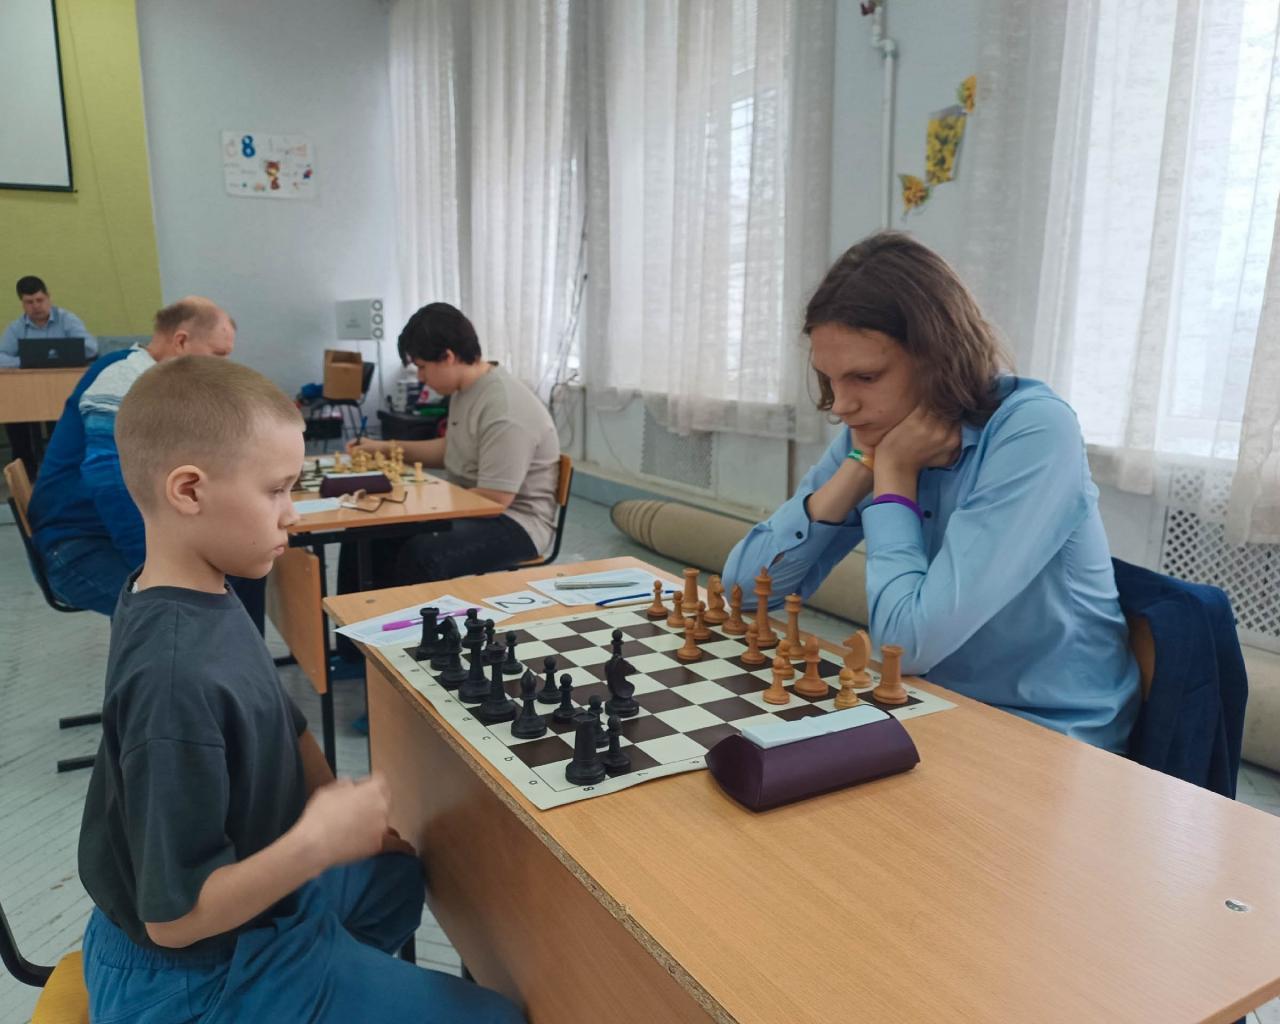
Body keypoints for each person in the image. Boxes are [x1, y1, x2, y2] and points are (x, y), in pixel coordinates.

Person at [77, 356, 525, 1023]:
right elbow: (174, 919)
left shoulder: (201, 585)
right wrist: (317, 840)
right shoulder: (172, 680)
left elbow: (278, 718)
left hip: (250, 922)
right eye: (277, 491)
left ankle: (325, 979)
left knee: (394, 875)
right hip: (192, 979)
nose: (293, 514)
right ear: (189, 491)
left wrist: (333, 801)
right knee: (498, 1019)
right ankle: (308, 988)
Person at [723, 232, 1141, 753]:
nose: (842, 406)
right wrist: (859, 469)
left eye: (865, 377)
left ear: (937, 357)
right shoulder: (876, 430)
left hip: (1051, 734)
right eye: (830, 379)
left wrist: (894, 475)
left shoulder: (1034, 431)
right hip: (929, 706)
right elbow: (741, 593)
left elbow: (905, 645)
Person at [26, 297, 265, 627]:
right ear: (181, 341)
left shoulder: (161, 384)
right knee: (187, 610)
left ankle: (243, 658)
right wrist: (161, 572)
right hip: (76, 546)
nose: (222, 367)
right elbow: (111, 487)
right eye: (218, 355)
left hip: (114, 533)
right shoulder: (122, 381)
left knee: (243, 565)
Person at [340, 302, 560, 592]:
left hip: (517, 523)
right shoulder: (465, 390)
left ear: (448, 357)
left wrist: (417, 503)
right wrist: (382, 448)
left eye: (422, 367)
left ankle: (407, 622)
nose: (420, 378)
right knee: (364, 534)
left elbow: (494, 499)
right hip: (475, 508)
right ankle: (352, 621)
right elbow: (452, 450)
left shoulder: (504, 408)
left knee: (422, 555)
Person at [1, 275, 98, 477]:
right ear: (22, 303)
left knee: (62, 423)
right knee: (14, 416)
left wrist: (66, 353)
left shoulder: (66, 320)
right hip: (26, 394)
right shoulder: (16, 327)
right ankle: (26, 475)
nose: (36, 306)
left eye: (40, 300)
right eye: (29, 302)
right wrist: (25, 360)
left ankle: (61, 472)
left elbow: (91, 348)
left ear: (48, 297)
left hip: (62, 391)